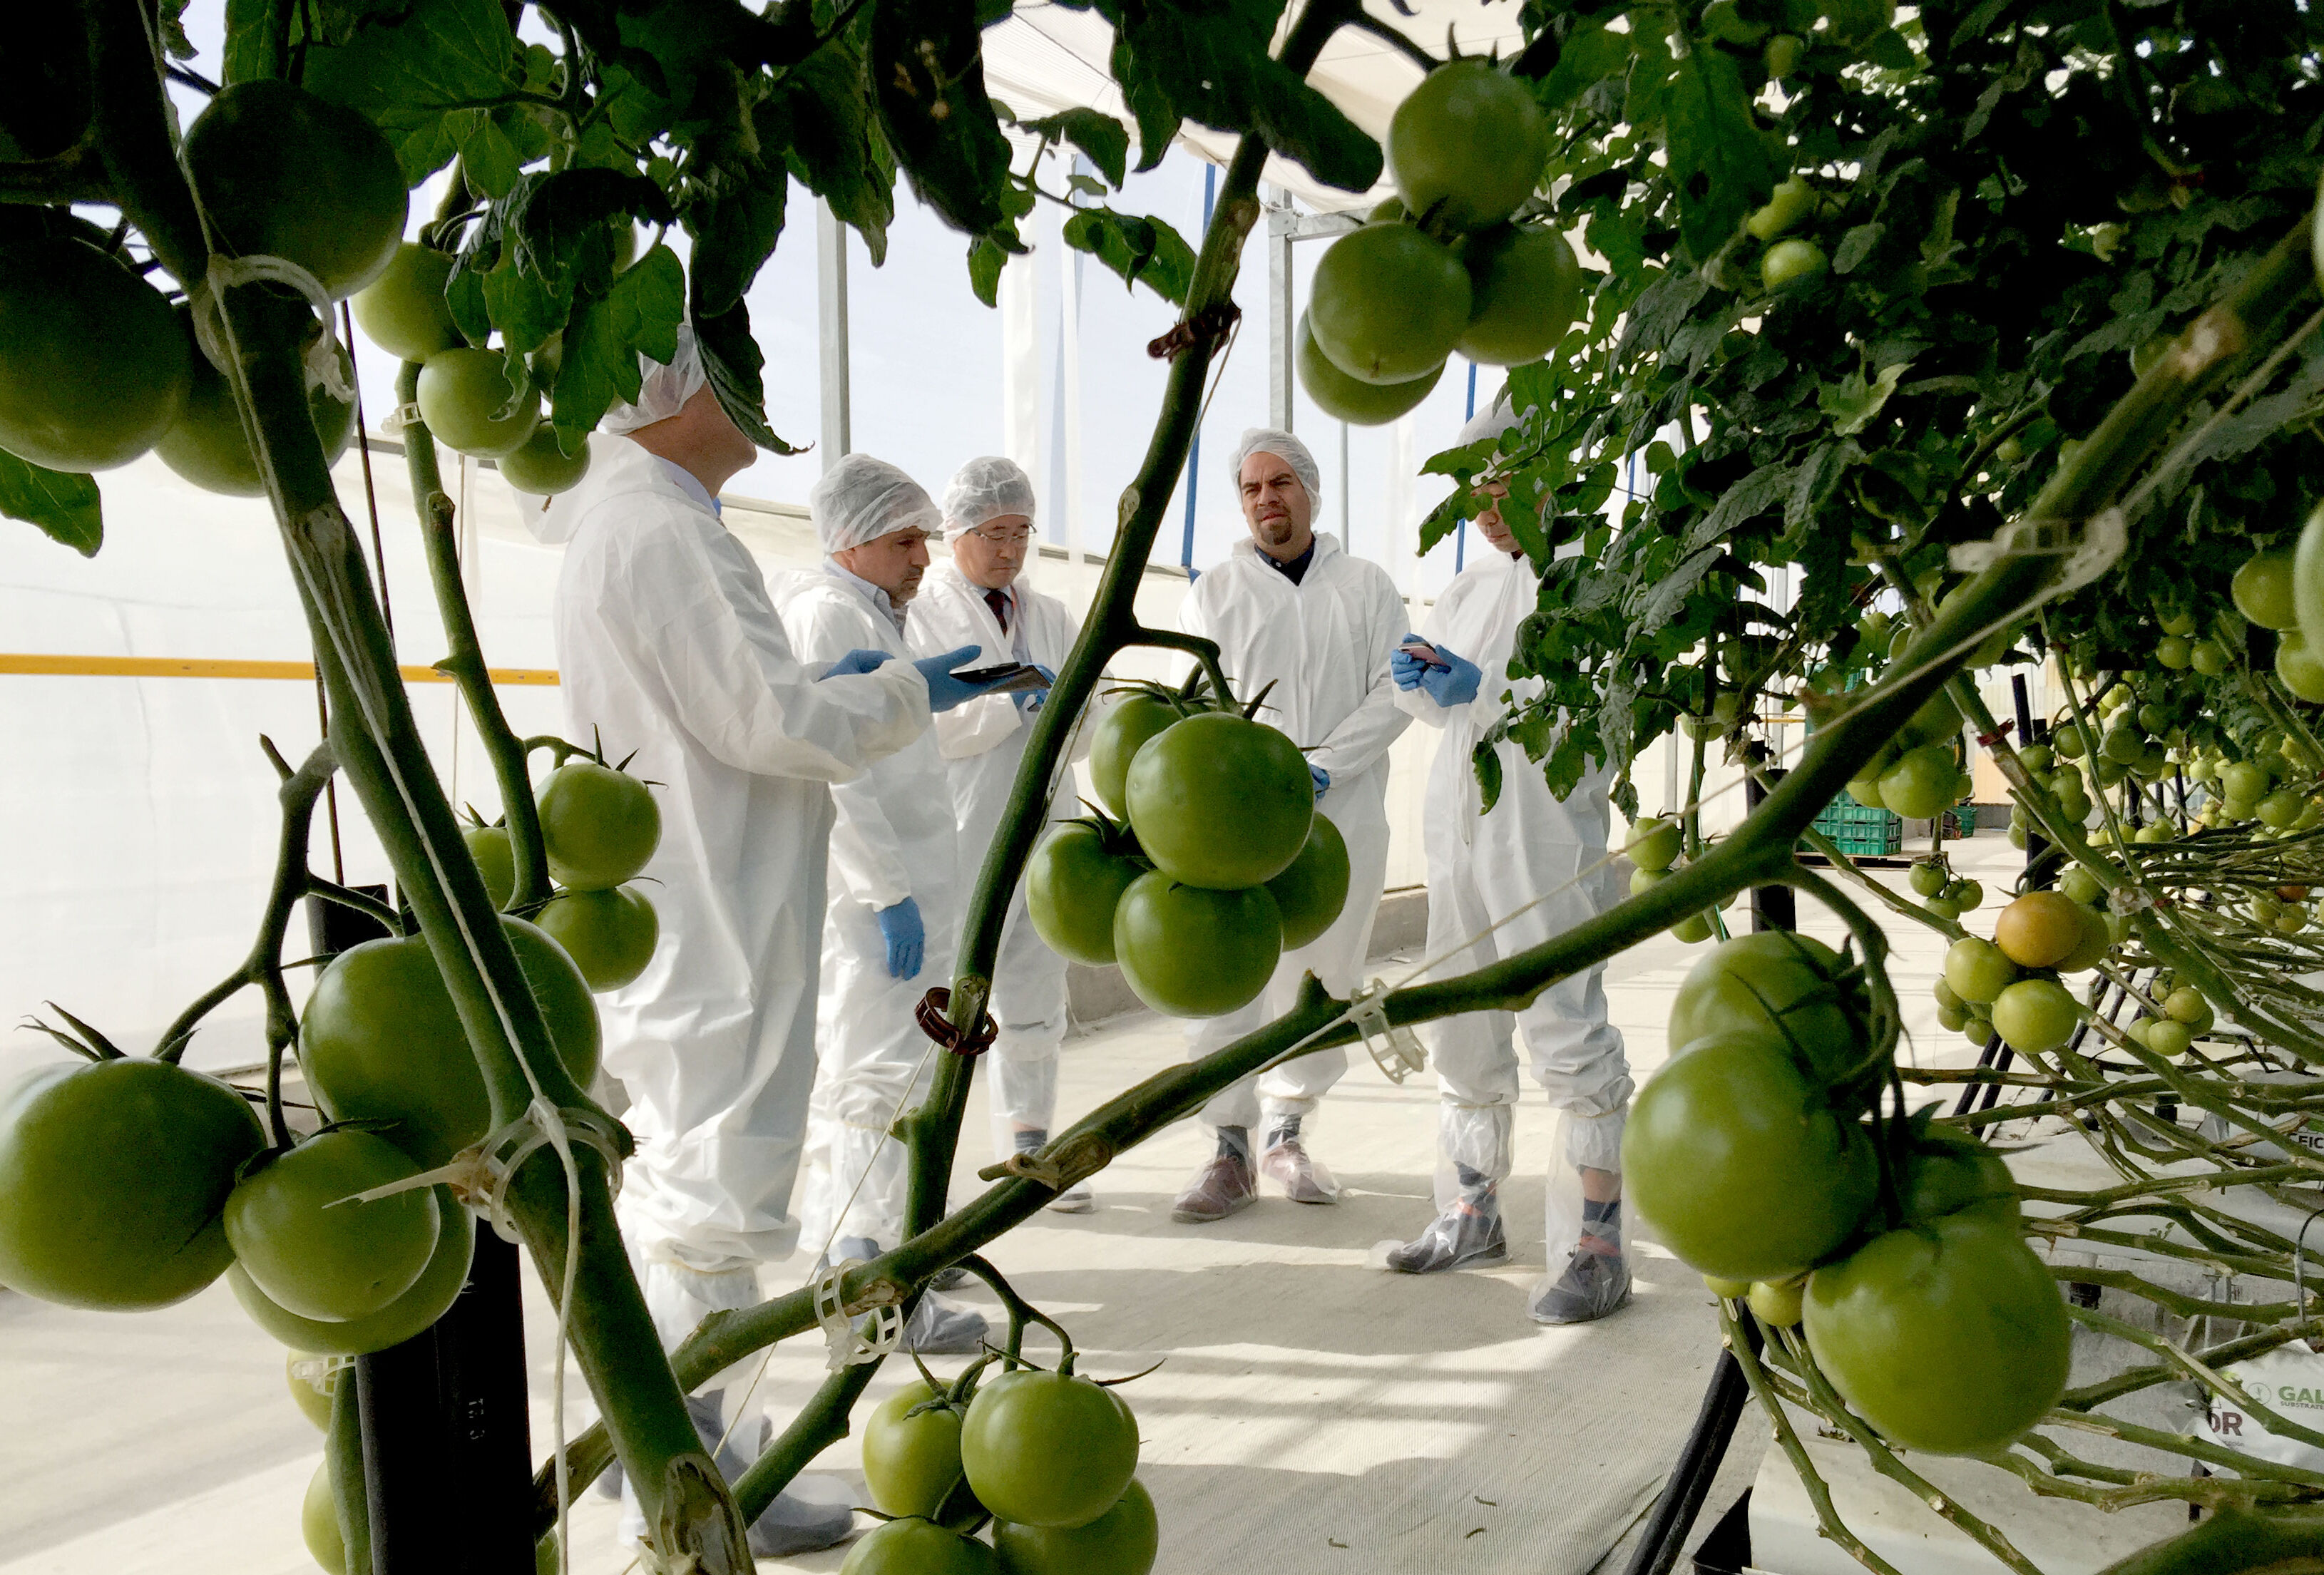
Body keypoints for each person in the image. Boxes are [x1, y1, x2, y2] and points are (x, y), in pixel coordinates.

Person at [546, 329, 1004, 1552]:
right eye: (729, 373)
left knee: (689, 1177)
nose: (756, 402)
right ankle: (702, 1464)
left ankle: (659, 1433)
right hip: (719, 910)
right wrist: (902, 693)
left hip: (694, 891)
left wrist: (868, 693)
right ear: (668, 388)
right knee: (717, 1186)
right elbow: (769, 719)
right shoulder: (661, 529)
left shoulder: (638, 521)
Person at [1385, 394, 1634, 1326]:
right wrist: (1420, 684)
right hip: (1456, 827)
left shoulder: (1595, 579)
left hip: (1537, 829)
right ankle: (1469, 1210)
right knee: (1460, 1021)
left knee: (1563, 1021)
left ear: (1550, 474)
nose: (1482, 507)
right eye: (1471, 487)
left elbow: (1585, 714)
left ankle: (1595, 1246)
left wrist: (1478, 691)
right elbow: (1449, 707)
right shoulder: (1471, 584)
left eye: (1496, 482)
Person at [1169, 428, 1411, 1224]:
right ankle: (1228, 1147)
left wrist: (1324, 765)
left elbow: (1396, 689)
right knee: (1226, 965)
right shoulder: (1215, 590)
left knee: (1322, 970)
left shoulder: (1367, 585)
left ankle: (1287, 1131)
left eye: (1279, 484)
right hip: (1234, 818)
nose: (1265, 499)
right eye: (1249, 489)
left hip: (1337, 814)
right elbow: (1190, 702)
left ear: (1309, 490)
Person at [780, 454, 992, 1353]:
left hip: (907, 885)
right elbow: (838, 770)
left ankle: (879, 1251)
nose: (922, 557)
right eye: (906, 540)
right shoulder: (829, 612)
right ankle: (873, 1291)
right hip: (880, 901)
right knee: (872, 1083)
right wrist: (887, 892)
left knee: (890, 1073)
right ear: (850, 540)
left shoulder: (868, 611)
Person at [906, 457, 1095, 1207]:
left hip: (1048, 831)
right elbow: (916, 725)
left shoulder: (1050, 613)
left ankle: (1029, 1145)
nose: (1010, 548)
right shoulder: (923, 612)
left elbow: (1095, 712)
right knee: (950, 1004)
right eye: (994, 533)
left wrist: (1060, 714)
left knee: (1036, 989)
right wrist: (1005, 704)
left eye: (1021, 532)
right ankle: (928, 1171)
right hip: (963, 833)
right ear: (957, 532)